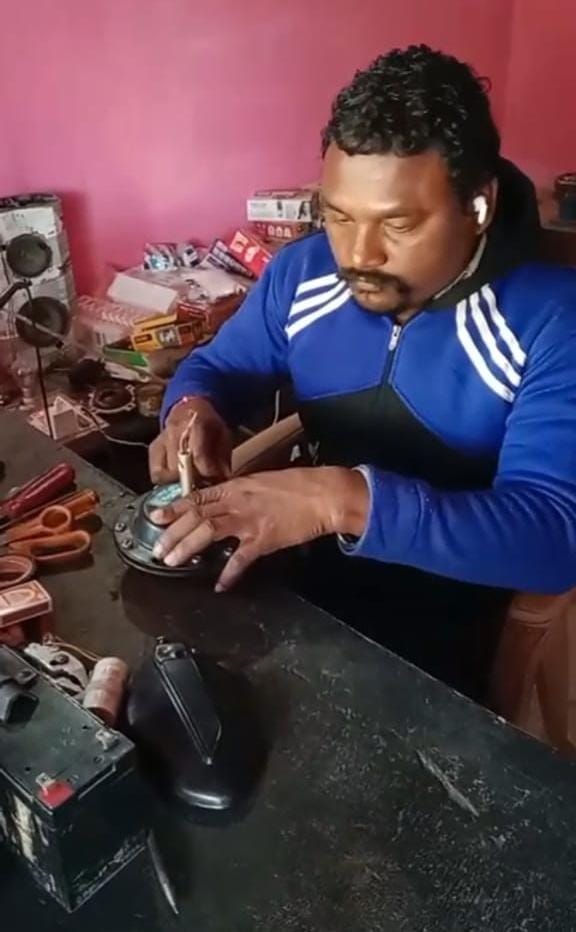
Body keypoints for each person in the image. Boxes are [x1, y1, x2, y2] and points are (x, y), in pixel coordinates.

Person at [148, 45, 576, 699]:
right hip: (304, 587)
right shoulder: (303, 274)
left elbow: (554, 536)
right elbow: (218, 366)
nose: (358, 254)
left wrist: (338, 500)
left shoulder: (551, 319)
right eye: (339, 216)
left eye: (397, 224)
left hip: (452, 630)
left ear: (479, 205)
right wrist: (192, 406)